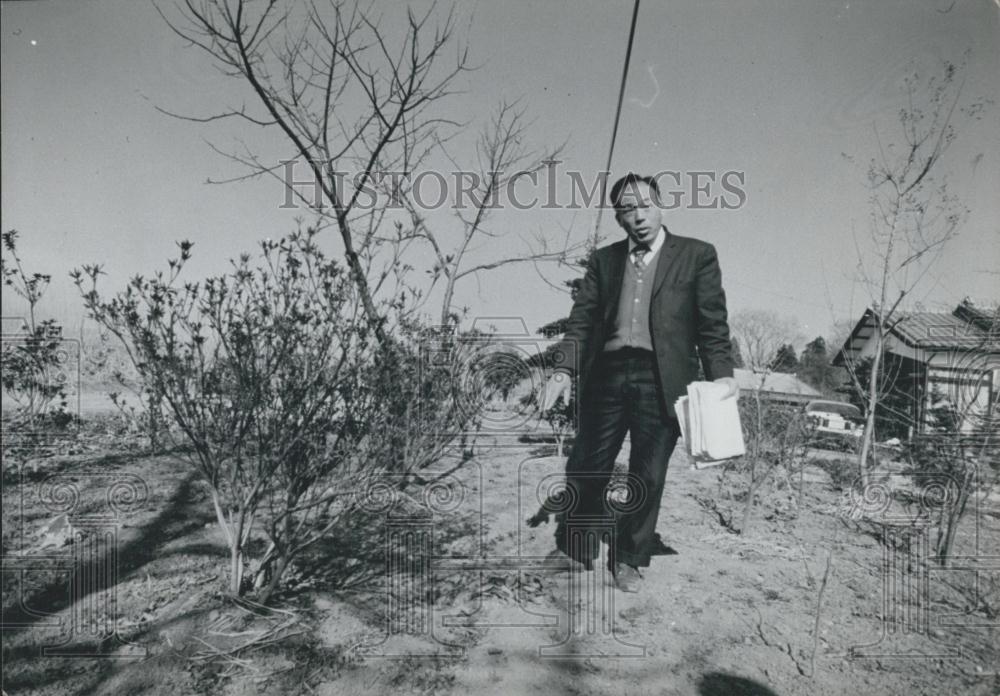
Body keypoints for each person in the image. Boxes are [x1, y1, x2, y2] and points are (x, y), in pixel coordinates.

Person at [541, 173, 738, 592]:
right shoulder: (604, 260)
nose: (638, 216)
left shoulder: (697, 255)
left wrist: (722, 375)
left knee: (648, 473)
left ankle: (630, 557)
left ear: (661, 205)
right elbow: (583, 320)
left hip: (662, 378)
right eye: (627, 209)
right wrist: (563, 369)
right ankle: (576, 548)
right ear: (618, 217)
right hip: (606, 374)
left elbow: (712, 323)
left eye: (645, 205)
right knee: (587, 466)